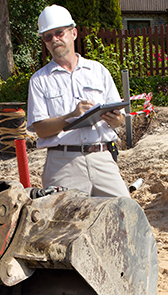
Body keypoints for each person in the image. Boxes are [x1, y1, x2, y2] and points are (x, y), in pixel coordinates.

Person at [27, 5, 130, 197]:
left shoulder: (98, 71)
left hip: (102, 158)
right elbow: (40, 129)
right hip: (63, 163)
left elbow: (119, 120)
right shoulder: (39, 80)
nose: (54, 39)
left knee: (125, 214)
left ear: (73, 33)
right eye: (48, 36)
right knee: (66, 223)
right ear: (45, 42)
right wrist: (72, 116)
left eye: (59, 33)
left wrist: (114, 119)